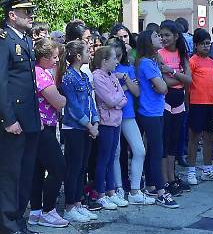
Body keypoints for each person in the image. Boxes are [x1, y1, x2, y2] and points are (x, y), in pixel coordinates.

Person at [0, 0, 42, 234]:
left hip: (29, 118)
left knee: (26, 172)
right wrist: (9, 119)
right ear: (12, 15)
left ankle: (19, 218)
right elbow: (0, 83)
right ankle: (7, 224)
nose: (31, 16)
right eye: (26, 12)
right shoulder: (2, 41)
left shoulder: (26, 40)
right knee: (9, 172)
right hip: (12, 120)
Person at [27, 38, 70, 227]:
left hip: (41, 126)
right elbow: (59, 101)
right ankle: (48, 210)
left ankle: (36, 210)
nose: (56, 61)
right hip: (44, 127)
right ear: (43, 57)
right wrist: (64, 98)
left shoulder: (38, 72)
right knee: (59, 167)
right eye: (53, 57)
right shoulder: (41, 74)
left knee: (38, 170)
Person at [106, 37, 153, 205]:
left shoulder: (128, 69)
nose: (116, 60)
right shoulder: (103, 70)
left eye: (119, 55)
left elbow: (137, 91)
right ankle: (118, 188)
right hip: (110, 116)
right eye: (113, 56)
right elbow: (106, 93)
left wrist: (124, 78)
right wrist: (124, 86)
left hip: (127, 114)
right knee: (115, 153)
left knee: (139, 150)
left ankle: (135, 190)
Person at [136, 30, 179, 208]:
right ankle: (161, 191)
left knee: (154, 148)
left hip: (156, 110)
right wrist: (160, 85)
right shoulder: (146, 63)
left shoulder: (153, 61)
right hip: (149, 112)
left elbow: (163, 87)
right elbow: (162, 88)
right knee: (156, 150)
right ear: (148, 42)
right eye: (156, 36)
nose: (160, 39)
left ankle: (151, 185)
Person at [59, 41, 100, 223]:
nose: (90, 54)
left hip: (87, 127)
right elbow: (73, 106)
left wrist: (95, 121)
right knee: (73, 167)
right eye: (86, 51)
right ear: (77, 56)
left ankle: (78, 202)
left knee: (82, 166)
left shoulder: (83, 76)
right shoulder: (68, 77)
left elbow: (90, 101)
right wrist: (89, 125)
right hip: (74, 127)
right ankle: (69, 206)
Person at [158, 20, 193, 195]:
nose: (164, 38)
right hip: (165, 100)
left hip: (179, 100)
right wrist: (180, 77)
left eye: (167, 35)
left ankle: (172, 177)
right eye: (161, 35)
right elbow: (164, 82)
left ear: (176, 36)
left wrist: (172, 72)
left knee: (175, 141)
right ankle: (165, 180)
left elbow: (190, 80)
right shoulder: (159, 54)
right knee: (165, 140)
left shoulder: (183, 54)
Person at [92, 46, 129, 209]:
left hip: (116, 120)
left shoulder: (112, 76)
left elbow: (122, 98)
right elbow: (110, 100)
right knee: (104, 158)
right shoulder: (97, 77)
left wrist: (116, 101)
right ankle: (101, 193)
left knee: (112, 156)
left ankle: (111, 191)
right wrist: (116, 101)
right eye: (114, 58)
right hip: (105, 123)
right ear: (105, 61)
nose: (116, 62)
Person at [186, 28, 213, 185]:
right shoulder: (192, 61)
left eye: (208, 44)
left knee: (209, 137)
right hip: (196, 103)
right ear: (196, 45)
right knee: (194, 138)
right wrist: (187, 103)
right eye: (203, 44)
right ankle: (191, 170)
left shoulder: (212, 63)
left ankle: (207, 169)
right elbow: (188, 85)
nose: (206, 46)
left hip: (211, 103)